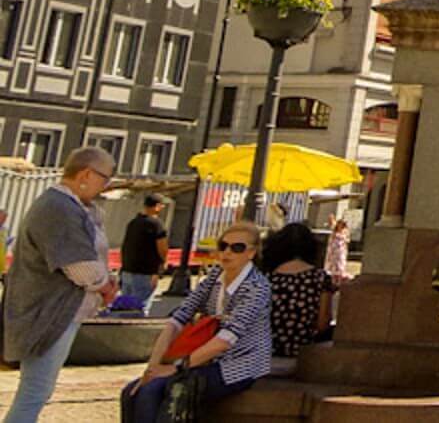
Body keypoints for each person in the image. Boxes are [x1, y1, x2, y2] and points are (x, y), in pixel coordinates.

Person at [2, 147, 117, 423]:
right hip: (48, 312)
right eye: (106, 179)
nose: (107, 186)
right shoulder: (59, 208)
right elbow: (81, 268)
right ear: (86, 174)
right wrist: (105, 285)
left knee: (37, 389)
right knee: (35, 391)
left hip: (56, 310)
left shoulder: (74, 207)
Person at [125, 220, 270, 421]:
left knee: (164, 390)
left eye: (237, 248)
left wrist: (175, 368)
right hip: (203, 358)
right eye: (223, 246)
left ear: (251, 253)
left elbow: (225, 340)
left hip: (239, 364)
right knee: (131, 391)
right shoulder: (215, 277)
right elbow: (178, 319)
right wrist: (152, 367)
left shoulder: (257, 287)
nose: (227, 252)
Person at [258, 221, 337, 373]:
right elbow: (323, 323)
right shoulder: (320, 278)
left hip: (268, 345)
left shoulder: (267, 278)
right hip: (302, 346)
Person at [117, 194, 171, 310]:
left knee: (125, 307)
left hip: (127, 270)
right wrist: (163, 263)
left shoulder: (133, 223)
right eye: (161, 205)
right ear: (156, 207)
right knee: (140, 306)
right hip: (145, 273)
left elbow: (124, 245)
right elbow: (162, 247)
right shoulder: (157, 224)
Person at [323, 217, 351, 283]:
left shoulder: (346, 231)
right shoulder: (334, 230)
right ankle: (332, 280)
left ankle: (339, 280)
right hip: (333, 251)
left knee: (340, 266)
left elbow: (348, 240)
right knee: (332, 267)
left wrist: (342, 238)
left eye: (342, 224)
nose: (340, 225)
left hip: (341, 251)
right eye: (339, 224)